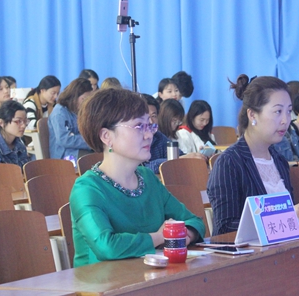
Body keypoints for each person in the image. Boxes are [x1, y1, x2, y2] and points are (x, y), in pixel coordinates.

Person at [70, 88, 205, 266]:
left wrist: (185, 234)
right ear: (106, 136)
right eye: (139, 127)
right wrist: (160, 236)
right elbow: (106, 246)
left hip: (152, 277)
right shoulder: (86, 189)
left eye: (149, 126)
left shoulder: (147, 178)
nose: (149, 135)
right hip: (102, 281)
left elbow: (194, 221)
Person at [207, 74, 299, 236]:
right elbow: (225, 228)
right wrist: (287, 215)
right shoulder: (229, 163)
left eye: (289, 111)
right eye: (278, 111)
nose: (285, 120)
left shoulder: (279, 160)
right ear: (252, 115)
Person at [140, 94, 206, 174]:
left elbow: (180, 155)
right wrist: (179, 159)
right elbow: (143, 168)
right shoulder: (133, 140)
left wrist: (197, 157)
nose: (151, 121)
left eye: (153, 116)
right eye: (146, 116)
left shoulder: (158, 136)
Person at [48, 78, 93, 160]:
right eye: (84, 99)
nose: (86, 103)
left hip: (77, 149)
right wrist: (89, 141)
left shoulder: (77, 110)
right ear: (75, 96)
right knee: (93, 159)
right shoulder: (59, 112)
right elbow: (64, 139)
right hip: (64, 155)